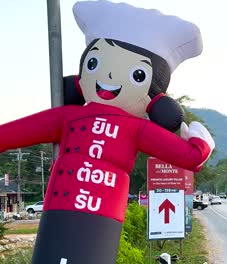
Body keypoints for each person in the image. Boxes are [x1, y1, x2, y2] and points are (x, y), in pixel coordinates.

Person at [0, 1, 214, 263]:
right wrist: (200, 138)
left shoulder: (79, 119)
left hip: (86, 214)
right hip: (85, 214)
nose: (110, 74)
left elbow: (10, 134)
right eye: (95, 62)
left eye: (138, 74)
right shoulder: (125, 126)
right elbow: (193, 156)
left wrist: (197, 146)